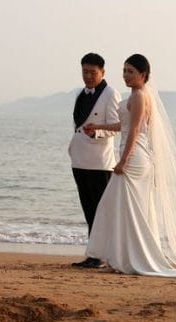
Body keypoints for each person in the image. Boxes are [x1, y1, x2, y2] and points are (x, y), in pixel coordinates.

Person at [83, 54, 176, 278]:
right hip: (132, 154)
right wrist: (99, 126)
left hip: (136, 157)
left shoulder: (140, 96)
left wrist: (123, 160)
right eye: (124, 71)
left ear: (144, 75)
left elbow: (134, 130)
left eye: (131, 71)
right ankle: (123, 256)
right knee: (123, 207)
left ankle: (131, 257)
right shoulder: (133, 96)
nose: (126, 75)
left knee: (122, 206)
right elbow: (123, 124)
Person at [69, 53, 122, 268]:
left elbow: (116, 126)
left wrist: (97, 133)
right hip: (79, 160)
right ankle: (93, 253)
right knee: (88, 209)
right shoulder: (81, 94)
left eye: (93, 72)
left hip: (100, 162)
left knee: (101, 211)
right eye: (85, 72)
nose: (88, 76)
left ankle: (102, 255)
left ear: (103, 72)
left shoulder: (110, 94)